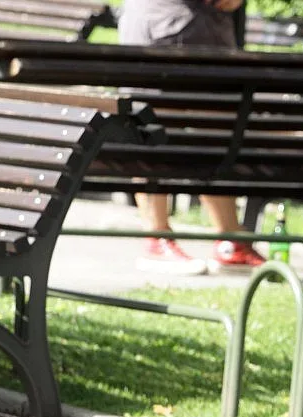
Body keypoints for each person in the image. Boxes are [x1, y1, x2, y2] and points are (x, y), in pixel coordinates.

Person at [118, 0, 265, 274]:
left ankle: (220, 237)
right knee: (194, 127)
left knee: (167, 127)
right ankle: (167, 237)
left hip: (159, 24)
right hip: (181, 29)